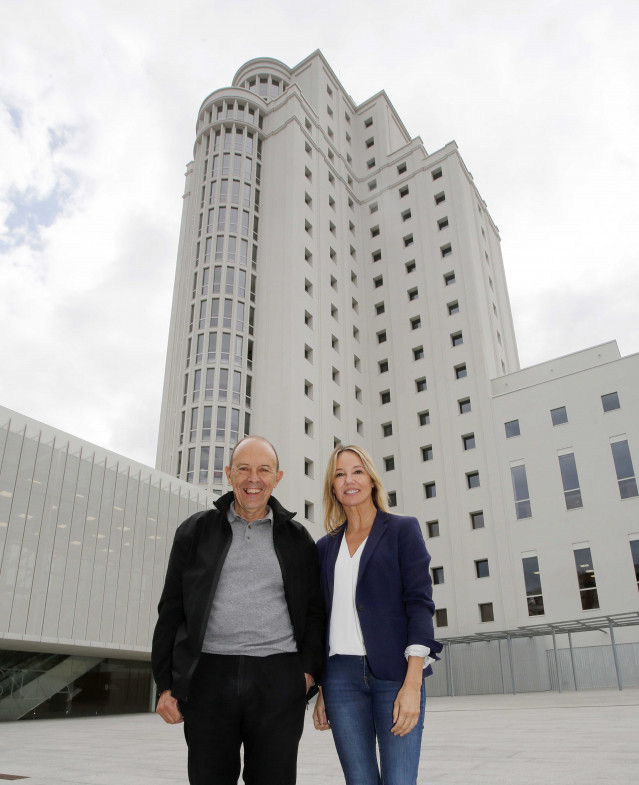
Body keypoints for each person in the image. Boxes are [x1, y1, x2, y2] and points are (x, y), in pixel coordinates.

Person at [152, 435, 325, 785]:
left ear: (278, 478)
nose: (253, 479)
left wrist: (306, 673)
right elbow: (171, 610)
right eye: (244, 469)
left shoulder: (297, 539)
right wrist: (166, 684)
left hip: (278, 678)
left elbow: (314, 613)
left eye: (264, 470)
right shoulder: (194, 532)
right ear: (229, 474)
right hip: (208, 677)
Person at [312, 444, 442, 785]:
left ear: (371, 479)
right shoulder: (324, 547)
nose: (348, 480)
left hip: (395, 674)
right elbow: (322, 620)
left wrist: (412, 684)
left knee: (399, 780)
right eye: (339, 474)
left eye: (357, 471)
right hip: (340, 679)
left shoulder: (402, 530)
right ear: (332, 487)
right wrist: (323, 688)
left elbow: (419, 604)